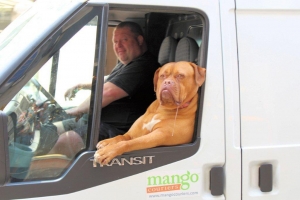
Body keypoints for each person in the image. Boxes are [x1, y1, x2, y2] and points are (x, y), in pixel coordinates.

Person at [48, 21, 161, 157]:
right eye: (115, 41)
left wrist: (78, 109)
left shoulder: (144, 65)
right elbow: (109, 81)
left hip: (117, 132)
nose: (118, 46)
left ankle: (41, 171)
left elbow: (107, 92)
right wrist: (81, 86)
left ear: (139, 40)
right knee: (54, 129)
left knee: (67, 140)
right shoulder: (126, 64)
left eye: (124, 40)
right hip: (101, 122)